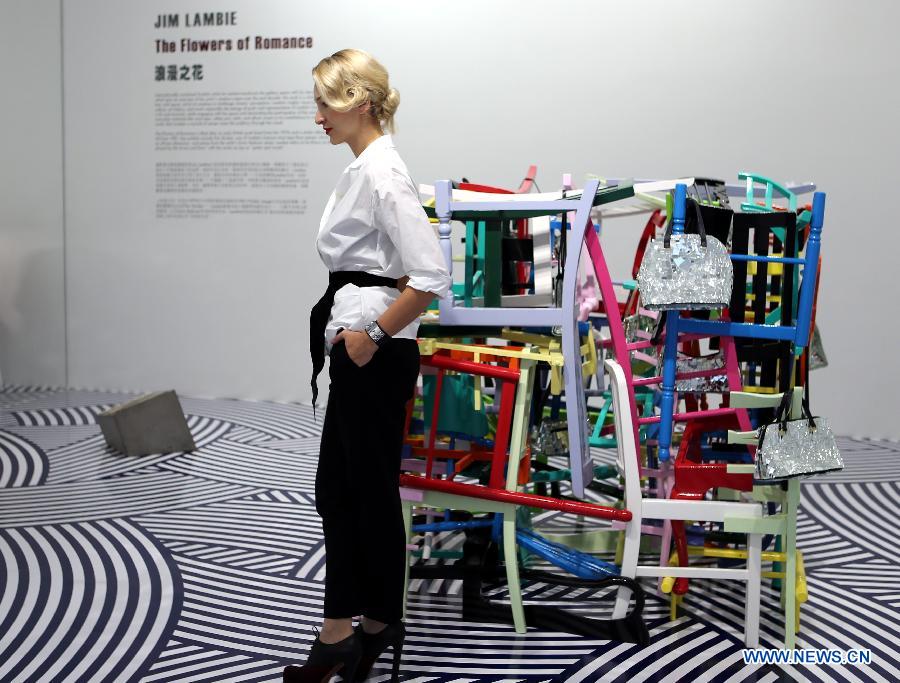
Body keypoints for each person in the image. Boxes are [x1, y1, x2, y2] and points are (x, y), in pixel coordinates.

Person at [284, 49, 451, 683]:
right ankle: (372, 624)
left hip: (371, 353)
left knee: (359, 491)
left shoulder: (383, 172)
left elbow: (431, 274)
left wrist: (372, 335)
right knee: (349, 490)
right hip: (360, 348)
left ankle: (343, 634)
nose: (318, 116)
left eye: (325, 102)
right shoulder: (367, 167)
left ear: (358, 102)